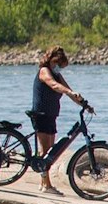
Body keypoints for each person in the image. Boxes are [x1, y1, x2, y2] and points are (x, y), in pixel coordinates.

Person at [28, 46, 90, 192]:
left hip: (51, 114)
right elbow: (55, 86)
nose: (59, 68)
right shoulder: (44, 71)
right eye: (58, 65)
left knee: (50, 151)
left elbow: (69, 92)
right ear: (53, 61)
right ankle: (46, 185)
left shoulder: (57, 75)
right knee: (45, 150)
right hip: (41, 114)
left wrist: (84, 104)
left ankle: (44, 183)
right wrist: (69, 91)